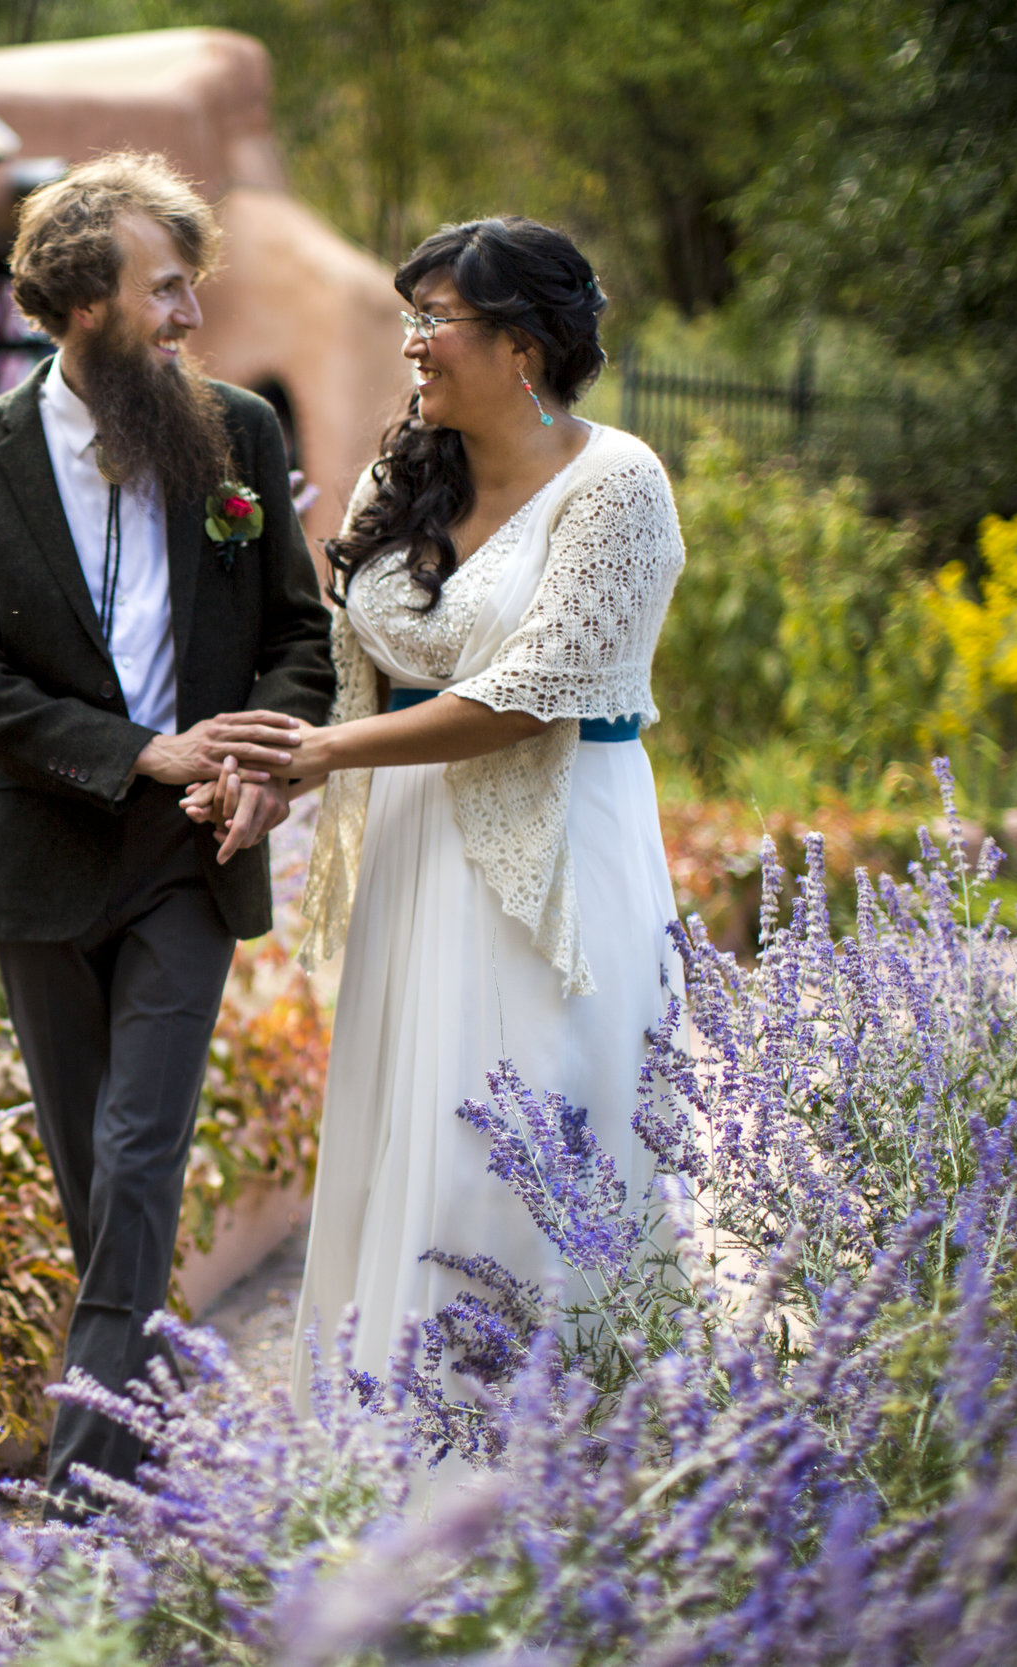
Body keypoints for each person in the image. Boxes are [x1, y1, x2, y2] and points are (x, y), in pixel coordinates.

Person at [191, 216, 685, 1395]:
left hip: (556, 842)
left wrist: (318, 754)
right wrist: (264, 757)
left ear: (522, 344)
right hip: (416, 845)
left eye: (434, 320)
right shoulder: (406, 470)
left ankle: (545, 1443)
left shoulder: (616, 483)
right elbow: (351, 644)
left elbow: (528, 698)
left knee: (518, 1132)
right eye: (409, 318)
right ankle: (397, 1436)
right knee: (410, 1127)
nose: (412, 345)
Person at [0, 152, 335, 1501]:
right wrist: (142, 749)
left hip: (192, 853)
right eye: (166, 289)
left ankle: (82, 1488)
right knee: (98, 1179)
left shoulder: (243, 436)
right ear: (81, 303)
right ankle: (153, 1437)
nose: (192, 315)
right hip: (47, 849)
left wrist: (258, 763)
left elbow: (296, 641)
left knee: (144, 1149)